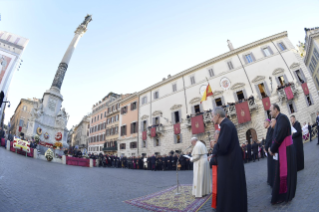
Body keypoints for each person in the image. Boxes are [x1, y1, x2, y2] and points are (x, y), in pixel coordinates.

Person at [211, 107, 247, 212]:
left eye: (213, 116)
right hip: (231, 164)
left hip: (229, 166)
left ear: (217, 115)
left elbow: (222, 147)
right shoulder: (226, 125)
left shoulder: (226, 125)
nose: (212, 119)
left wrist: (215, 145)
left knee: (229, 192)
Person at [268, 104, 297, 204]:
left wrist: (272, 149)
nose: (270, 112)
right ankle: (283, 194)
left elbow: (280, 135)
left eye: (271, 110)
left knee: (286, 173)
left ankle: (285, 194)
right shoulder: (279, 119)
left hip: (287, 149)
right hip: (283, 149)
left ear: (276, 109)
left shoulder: (283, 118)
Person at [209, 130, 219, 210]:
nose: (213, 137)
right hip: (217, 168)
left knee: (217, 186)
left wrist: (210, 159)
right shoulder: (217, 145)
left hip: (217, 168)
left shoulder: (217, 145)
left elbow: (215, 159)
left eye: (214, 135)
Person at [264, 119, 275, 187]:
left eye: (264, 123)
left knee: (272, 165)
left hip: (271, 149)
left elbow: (270, 139)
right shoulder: (268, 129)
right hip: (268, 149)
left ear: (268, 123)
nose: (263, 124)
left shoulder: (271, 129)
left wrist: (266, 147)